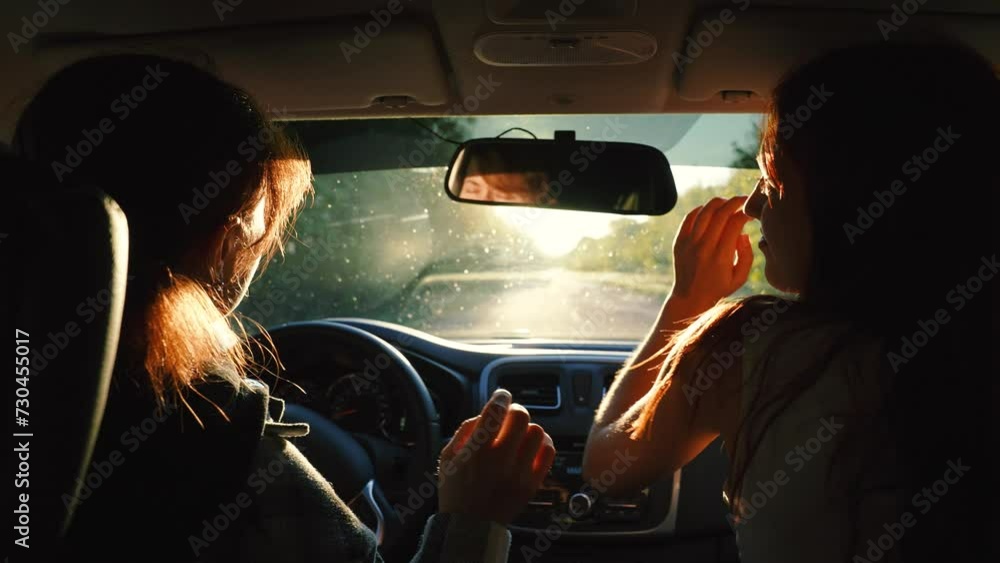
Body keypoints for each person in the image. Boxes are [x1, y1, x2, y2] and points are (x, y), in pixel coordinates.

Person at [13, 54, 555, 562]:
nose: (254, 255)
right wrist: (473, 515)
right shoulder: (213, 433)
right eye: (253, 228)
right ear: (222, 239)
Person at [584, 38, 995, 563]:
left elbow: (607, 466)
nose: (754, 205)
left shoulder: (759, 347)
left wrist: (688, 297)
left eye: (773, 182)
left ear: (845, 200)